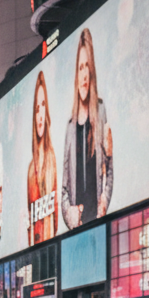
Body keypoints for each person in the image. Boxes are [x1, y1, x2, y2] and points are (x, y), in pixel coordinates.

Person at [61, 28, 113, 229]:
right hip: (77, 230)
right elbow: (64, 188)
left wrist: (104, 203)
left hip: (99, 223)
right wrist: (70, 215)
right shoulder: (70, 128)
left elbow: (109, 168)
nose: (84, 74)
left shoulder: (101, 112)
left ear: (92, 72)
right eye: (80, 67)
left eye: (87, 67)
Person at [26, 70, 58, 244]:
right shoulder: (31, 168)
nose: (40, 115)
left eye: (43, 106)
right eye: (36, 109)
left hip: (51, 245)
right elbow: (28, 222)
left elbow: (56, 215)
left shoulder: (52, 158)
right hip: (35, 250)